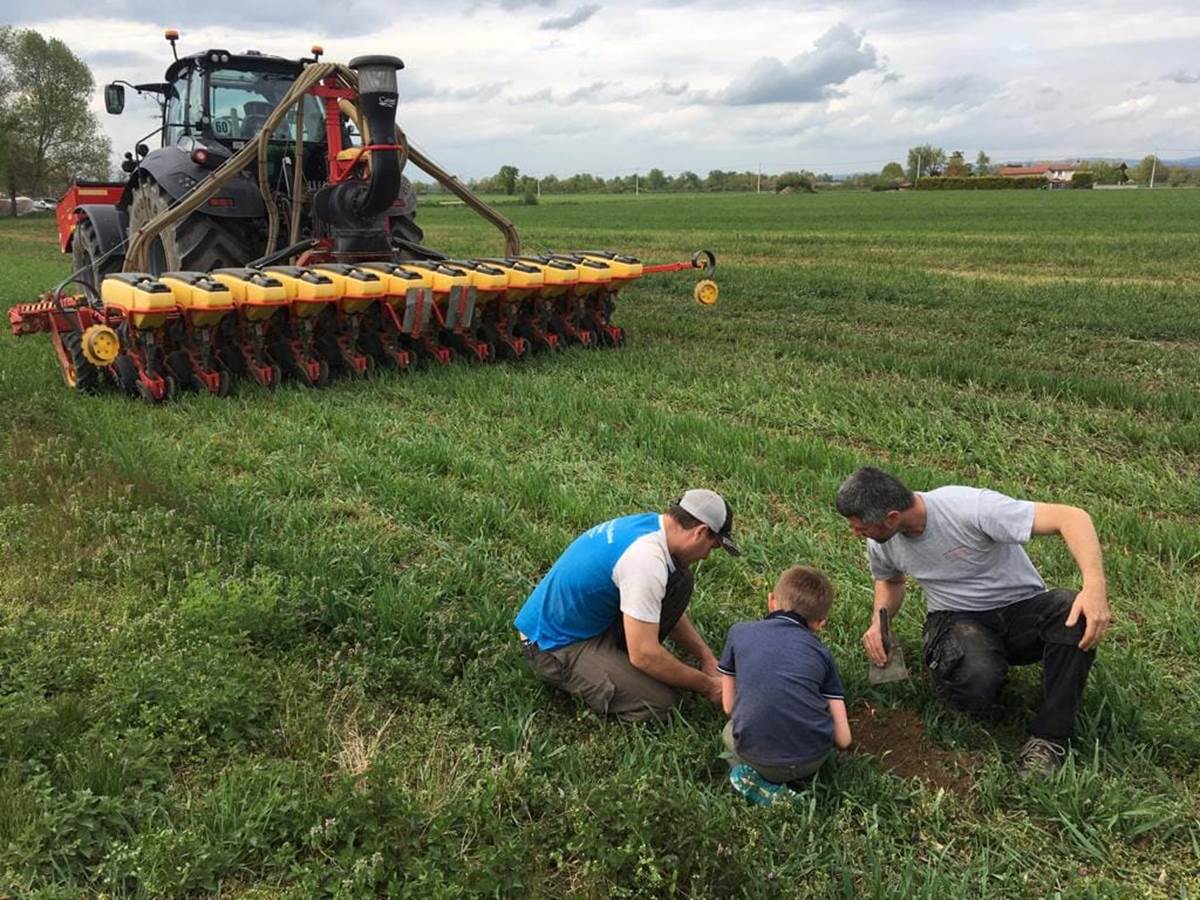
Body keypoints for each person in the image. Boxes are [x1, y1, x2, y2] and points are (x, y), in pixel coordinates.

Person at [835, 466, 1112, 778]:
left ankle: (1049, 739)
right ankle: (967, 671)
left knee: (1072, 611)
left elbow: (1071, 517)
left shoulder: (970, 508)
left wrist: (1094, 590)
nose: (856, 534)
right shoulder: (882, 542)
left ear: (892, 517)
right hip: (957, 618)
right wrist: (879, 622)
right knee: (977, 680)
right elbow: (891, 581)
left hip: (1020, 608)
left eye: (861, 527)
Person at [514, 489, 739, 723]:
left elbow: (656, 602)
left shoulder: (652, 527)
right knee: (661, 703)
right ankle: (597, 670)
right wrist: (708, 686)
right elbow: (644, 655)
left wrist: (706, 658)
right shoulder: (645, 560)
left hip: (584, 622)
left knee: (679, 580)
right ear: (700, 532)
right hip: (552, 646)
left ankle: (617, 658)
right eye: (712, 548)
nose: (706, 557)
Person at [718, 565, 851, 787]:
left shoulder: (739, 633)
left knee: (727, 732)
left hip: (757, 758)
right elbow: (844, 739)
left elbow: (729, 707)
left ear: (771, 601)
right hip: (812, 761)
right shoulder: (821, 653)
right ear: (820, 624)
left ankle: (755, 781)